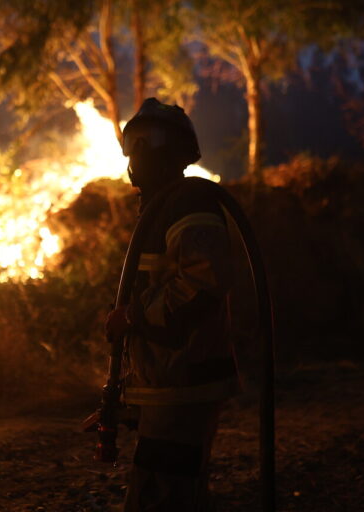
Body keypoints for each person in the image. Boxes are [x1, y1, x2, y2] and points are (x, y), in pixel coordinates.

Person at [105, 98, 242, 511]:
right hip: (169, 383)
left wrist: (133, 315)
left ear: (178, 150)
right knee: (176, 492)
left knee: (160, 495)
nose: (138, 152)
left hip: (186, 382)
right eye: (133, 141)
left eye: (150, 140)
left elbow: (203, 282)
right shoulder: (161, 205)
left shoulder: (189, 203)